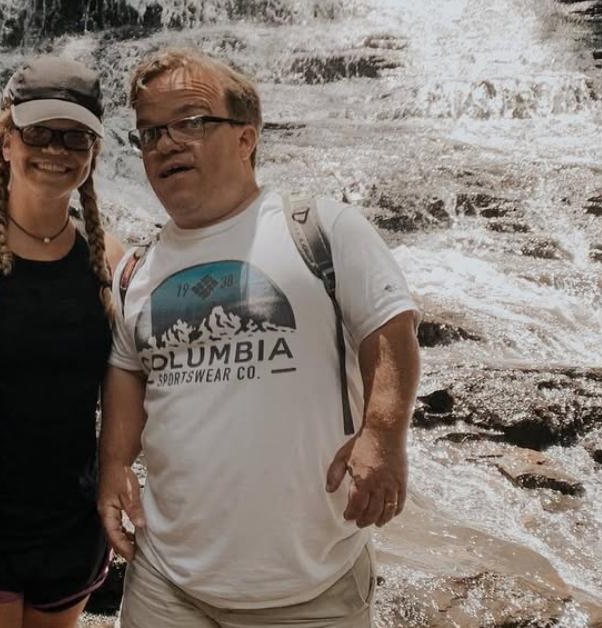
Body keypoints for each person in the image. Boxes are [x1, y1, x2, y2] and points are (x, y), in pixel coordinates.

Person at [98, 48, 421, 628]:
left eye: (192, 122)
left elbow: (390, 324)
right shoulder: (141, 272)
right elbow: (127, 367)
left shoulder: (322, 228)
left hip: (313, 589)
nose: (167, 143)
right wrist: (114, 464)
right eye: (151, 133)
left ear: (247, 138)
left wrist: (383, 433)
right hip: (166, 584)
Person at [0, 57, 125, 628]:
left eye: (76, 136)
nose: (57, 148)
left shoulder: (111, 260)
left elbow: (129, 381)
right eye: (39, 132)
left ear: (93, 152)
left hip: (70, 523)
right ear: (4, 143)